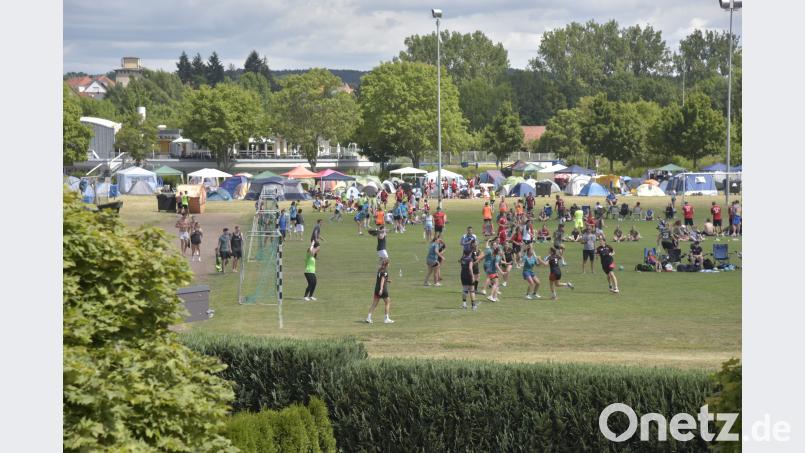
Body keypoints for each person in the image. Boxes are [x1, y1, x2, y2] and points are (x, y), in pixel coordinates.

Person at [366, 258, 394, 324]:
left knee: (374, 304)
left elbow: (381, 278)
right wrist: (381, 289)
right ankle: (386, 319)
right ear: (387, 264)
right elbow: (382, 279)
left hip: (376, 288)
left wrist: (387, 280)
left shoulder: (380, 270)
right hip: (383, 289)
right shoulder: (385, 271)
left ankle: (368, 318)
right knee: (387, 302)